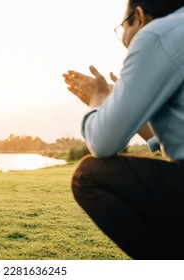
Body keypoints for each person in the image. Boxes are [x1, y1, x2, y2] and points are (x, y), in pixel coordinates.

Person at [63, 0, 184, 259]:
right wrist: (122, 105)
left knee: (88, 175)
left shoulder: (157, 34)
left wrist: (97, 99)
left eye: (122, 29)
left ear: (138, 16)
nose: (125, 42)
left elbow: (102, 143)